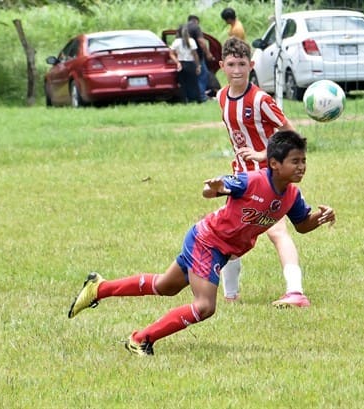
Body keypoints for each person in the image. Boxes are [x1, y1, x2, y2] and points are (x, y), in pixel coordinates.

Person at [67, 130, 336, 356]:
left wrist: (320, 218)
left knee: (164, 286)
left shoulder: (291, 195)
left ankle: (99, 288)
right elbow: (210, 191)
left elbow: (302, 226)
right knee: (205, 306)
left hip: (217, 246)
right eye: (295, 161)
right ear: (274, 164)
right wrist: (215, 187)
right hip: (208, 242)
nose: (301, 166)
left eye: (303, 160)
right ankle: (141, 338)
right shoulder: (251, 181)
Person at [216, 37, 310, 308]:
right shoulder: (222, 97)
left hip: (268, 177)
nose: (236, 70)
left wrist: (264, 156)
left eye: (242, 64)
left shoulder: (260, 100)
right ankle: (231, 295)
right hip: (241, 179)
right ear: (222, 66)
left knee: (277, 231)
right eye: (231, 64)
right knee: (229, 235)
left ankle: (295, 292)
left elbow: (291, 134)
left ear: (251, 65)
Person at [170, 25, 202, 103]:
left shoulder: (176, 42)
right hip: (190, 64)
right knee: (193, 83)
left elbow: (171, 53)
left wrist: (177, 62)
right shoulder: (191, 41)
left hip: (181, 64)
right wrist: (198, 66)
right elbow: (195, 55)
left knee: (182, 83)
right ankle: (196, 99)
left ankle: (184, 100)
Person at [187, 15, 215, 102]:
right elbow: (201, 42)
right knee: (203, 75)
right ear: (196, 21)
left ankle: (191, 97)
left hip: (185, 57)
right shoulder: (196, 27)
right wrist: (208, 53)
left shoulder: (183, 28)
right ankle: (201, 96)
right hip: (197, 56)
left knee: (190, 78)